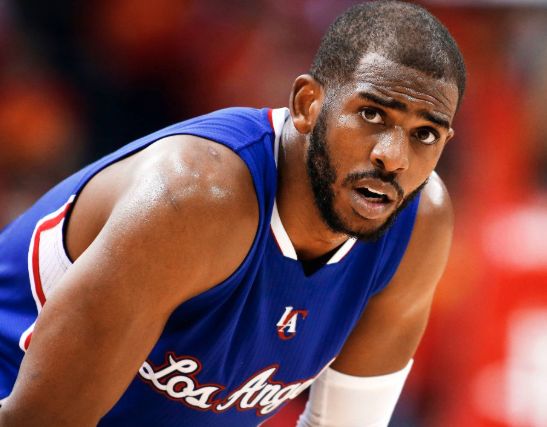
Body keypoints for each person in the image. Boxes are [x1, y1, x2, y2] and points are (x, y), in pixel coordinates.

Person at [0, 1, 466, 425]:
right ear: (307, 104)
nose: (392, 157)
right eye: (371, 115)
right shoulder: (194, 199)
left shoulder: (417, 225)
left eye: (424, 134)